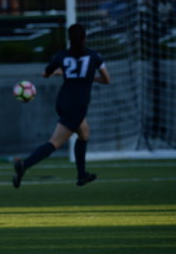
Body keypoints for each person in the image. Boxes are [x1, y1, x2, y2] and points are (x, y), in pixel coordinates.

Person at [13, 23, 111, 188]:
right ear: (84, 38)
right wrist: (89, 77)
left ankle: (82, 175)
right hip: (78, 105)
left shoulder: (61, 56)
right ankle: (24, 165)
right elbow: (107, 80)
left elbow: (46, 74)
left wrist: (61, 72)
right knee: (55, 143)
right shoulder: (94, 56)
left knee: (84, 133)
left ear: (69, 39)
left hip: (63, 100)